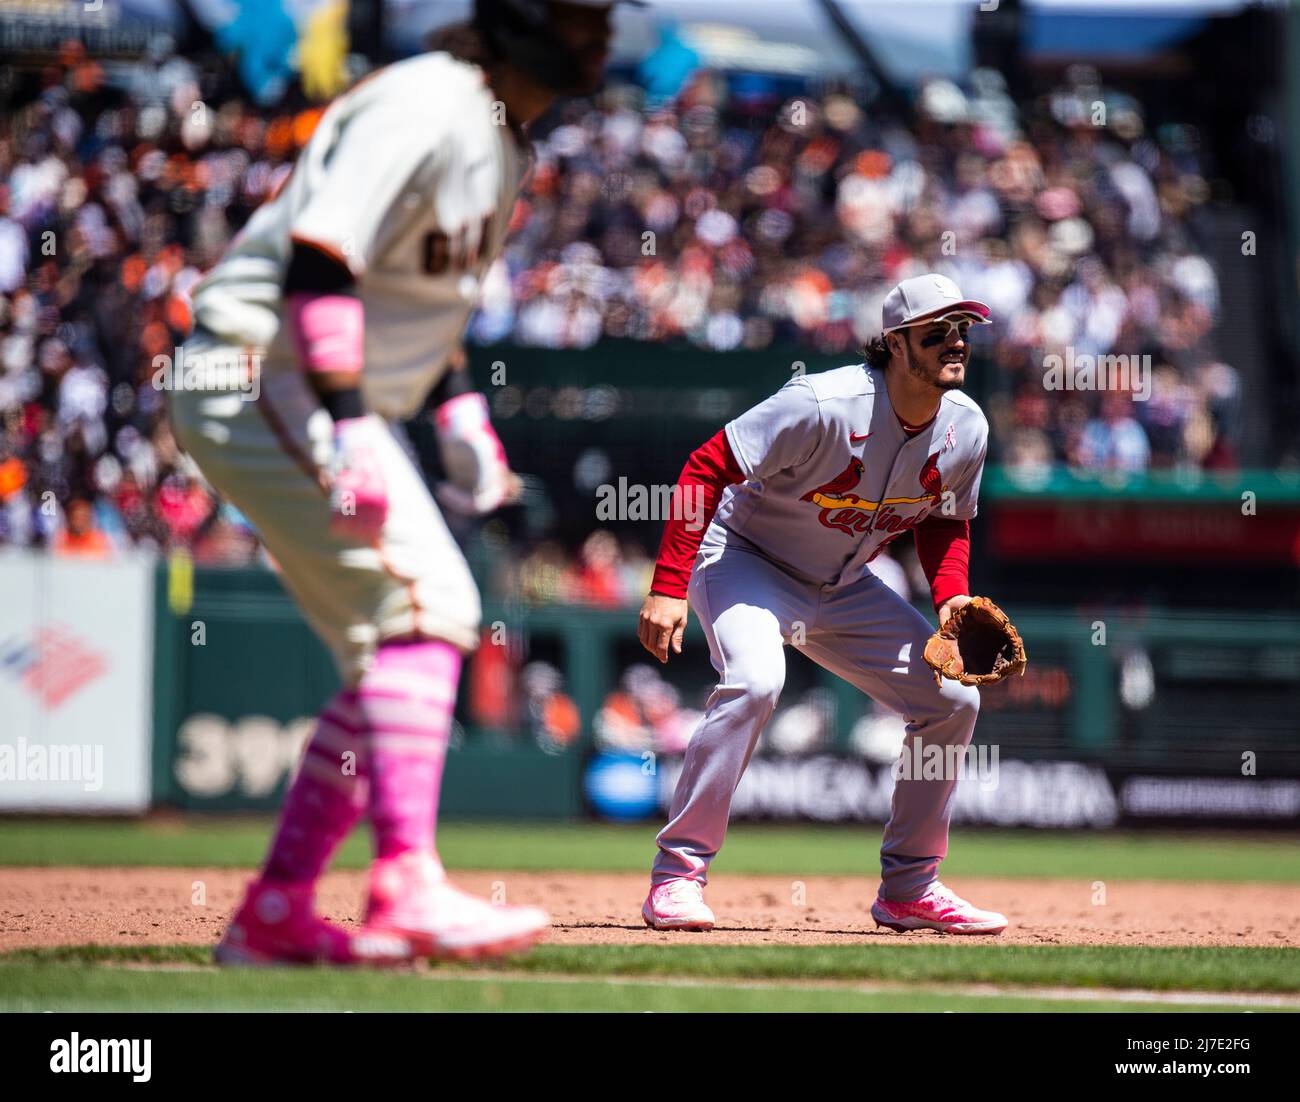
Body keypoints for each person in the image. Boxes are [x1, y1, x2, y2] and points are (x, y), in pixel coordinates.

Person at [168, 0, 641, 967]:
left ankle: (276, 914)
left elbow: (413, 307)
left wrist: (458, 411)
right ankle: (405, 883)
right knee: (430, 607)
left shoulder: (501, 138)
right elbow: (319, 259)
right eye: (581, 11)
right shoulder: (432, 103)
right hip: (264, 366)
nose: (600, 27)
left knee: (395, 641)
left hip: (319, 384)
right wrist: (346, 428)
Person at [636, 273, 1011, 935]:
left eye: (963, 330)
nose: (956, 342)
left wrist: (951, 598)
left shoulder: (966, 427)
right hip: (744, 559)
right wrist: (669, 586)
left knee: (954, 700)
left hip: (840, 585)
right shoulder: (821, 402)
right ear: (896, 343)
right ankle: (677, 875)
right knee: (756, 680)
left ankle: (910, 887)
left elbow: (946, 519)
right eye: (938, 331)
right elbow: (705, 466)